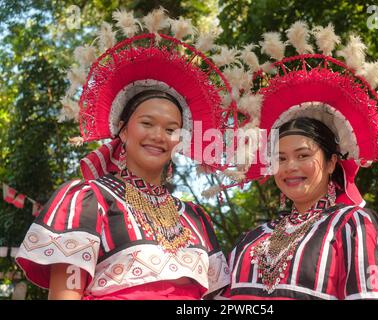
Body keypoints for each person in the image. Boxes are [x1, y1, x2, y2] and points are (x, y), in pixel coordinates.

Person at [15, 8, 236, 300]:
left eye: (171, 129)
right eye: (147, 123)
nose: (158, 136)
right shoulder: (88, 201)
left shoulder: (195, 218)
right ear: (123, 130)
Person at [224, 21, 378, 299]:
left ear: (331, 163)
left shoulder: (353, 226)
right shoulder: (253, 238)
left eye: (303, 155)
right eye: (280, 158)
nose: (290, 166)